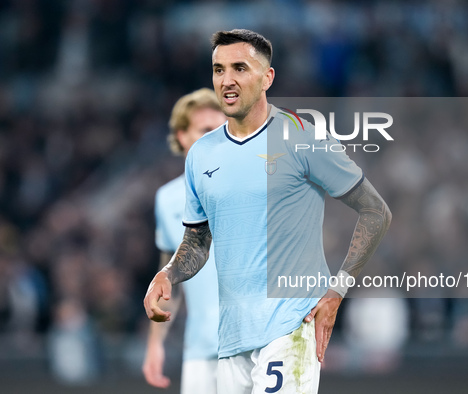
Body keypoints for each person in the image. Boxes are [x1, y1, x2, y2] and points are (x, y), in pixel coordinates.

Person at [144, 29, 391, 393]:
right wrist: (167, 275)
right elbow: (197, 241)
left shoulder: (303, 138)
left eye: (240, 68)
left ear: (267, 78)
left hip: (289, 328)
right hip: (230, 338)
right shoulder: (202, 154)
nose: (226, 80)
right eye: (218, 69)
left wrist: (337, 291)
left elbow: (376, 211)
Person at [142, 88, 225, 393]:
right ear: (181, 136)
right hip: (200, 349)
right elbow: (168, 281)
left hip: (255, 344)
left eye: (222, 129)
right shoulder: (167, 199)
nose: (217, 138)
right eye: (206, 130)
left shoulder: (254, 187)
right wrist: (155, 345)